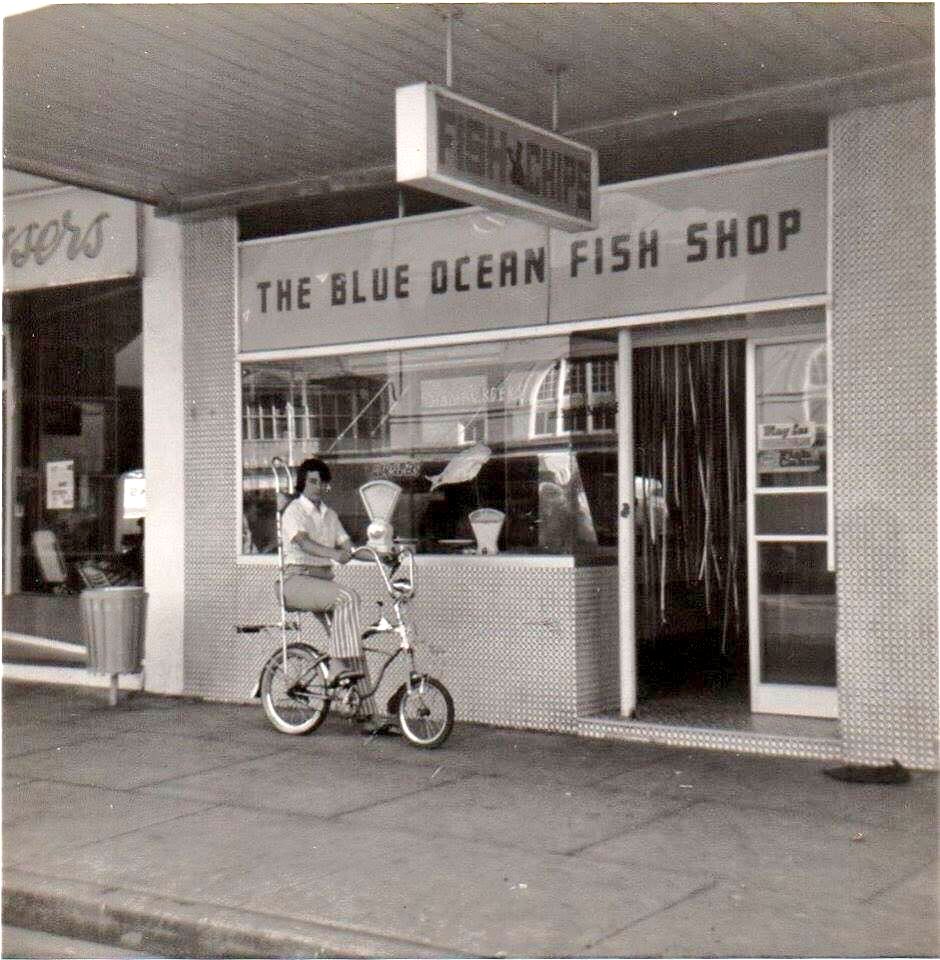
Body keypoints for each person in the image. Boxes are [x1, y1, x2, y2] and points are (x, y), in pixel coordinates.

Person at [280, 457, 393, 734]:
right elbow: (303, 542)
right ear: (302, 483)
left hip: (322, 584)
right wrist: (334, 555)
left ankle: (368, 716)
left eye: (322, 482)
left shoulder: (330, 515)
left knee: (354, 646)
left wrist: (383, 556)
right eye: (313, 481)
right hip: (296, 580)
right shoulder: (294, 511)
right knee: (348, 597)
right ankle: (336, 667)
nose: (318, 487)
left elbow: (349, 549)